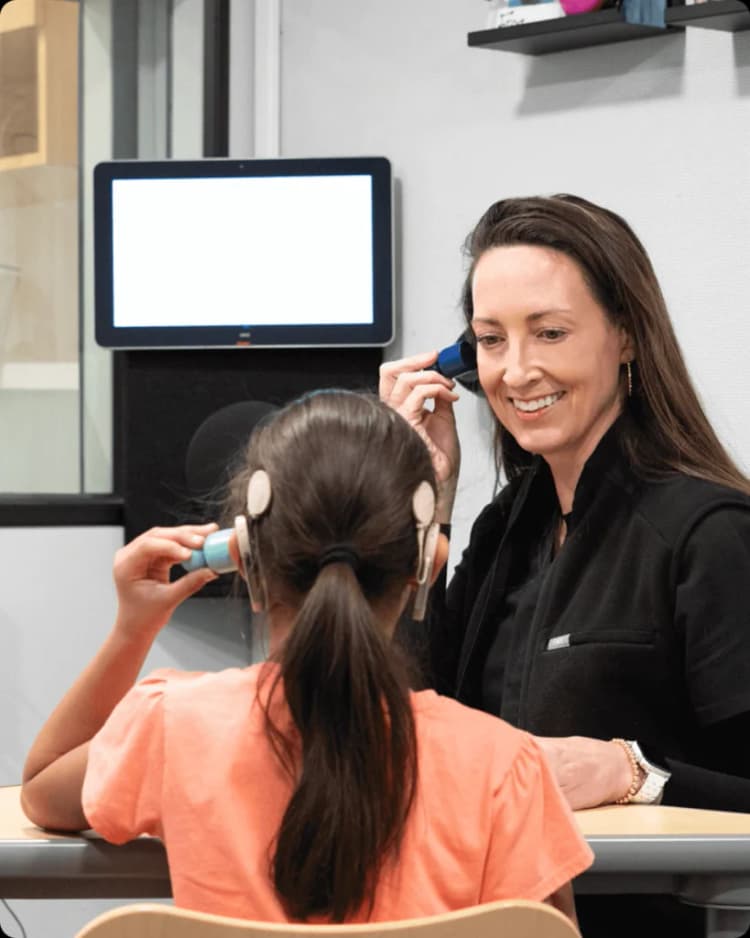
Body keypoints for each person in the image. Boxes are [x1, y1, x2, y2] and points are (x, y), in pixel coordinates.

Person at [20, 390, 592, 926]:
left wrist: (132, 629)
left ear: (243, 559)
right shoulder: (504, 769)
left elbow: (42, 788)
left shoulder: (171, 725)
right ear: (426, 564)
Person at [380, 193, 750, 937]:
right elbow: (411, 724)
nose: (516, 372)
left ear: (626, 337)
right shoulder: (500, 533)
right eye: (490, 341)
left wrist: (634, 774)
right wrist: (422, 505)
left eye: (549, 332)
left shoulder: (709, 533)